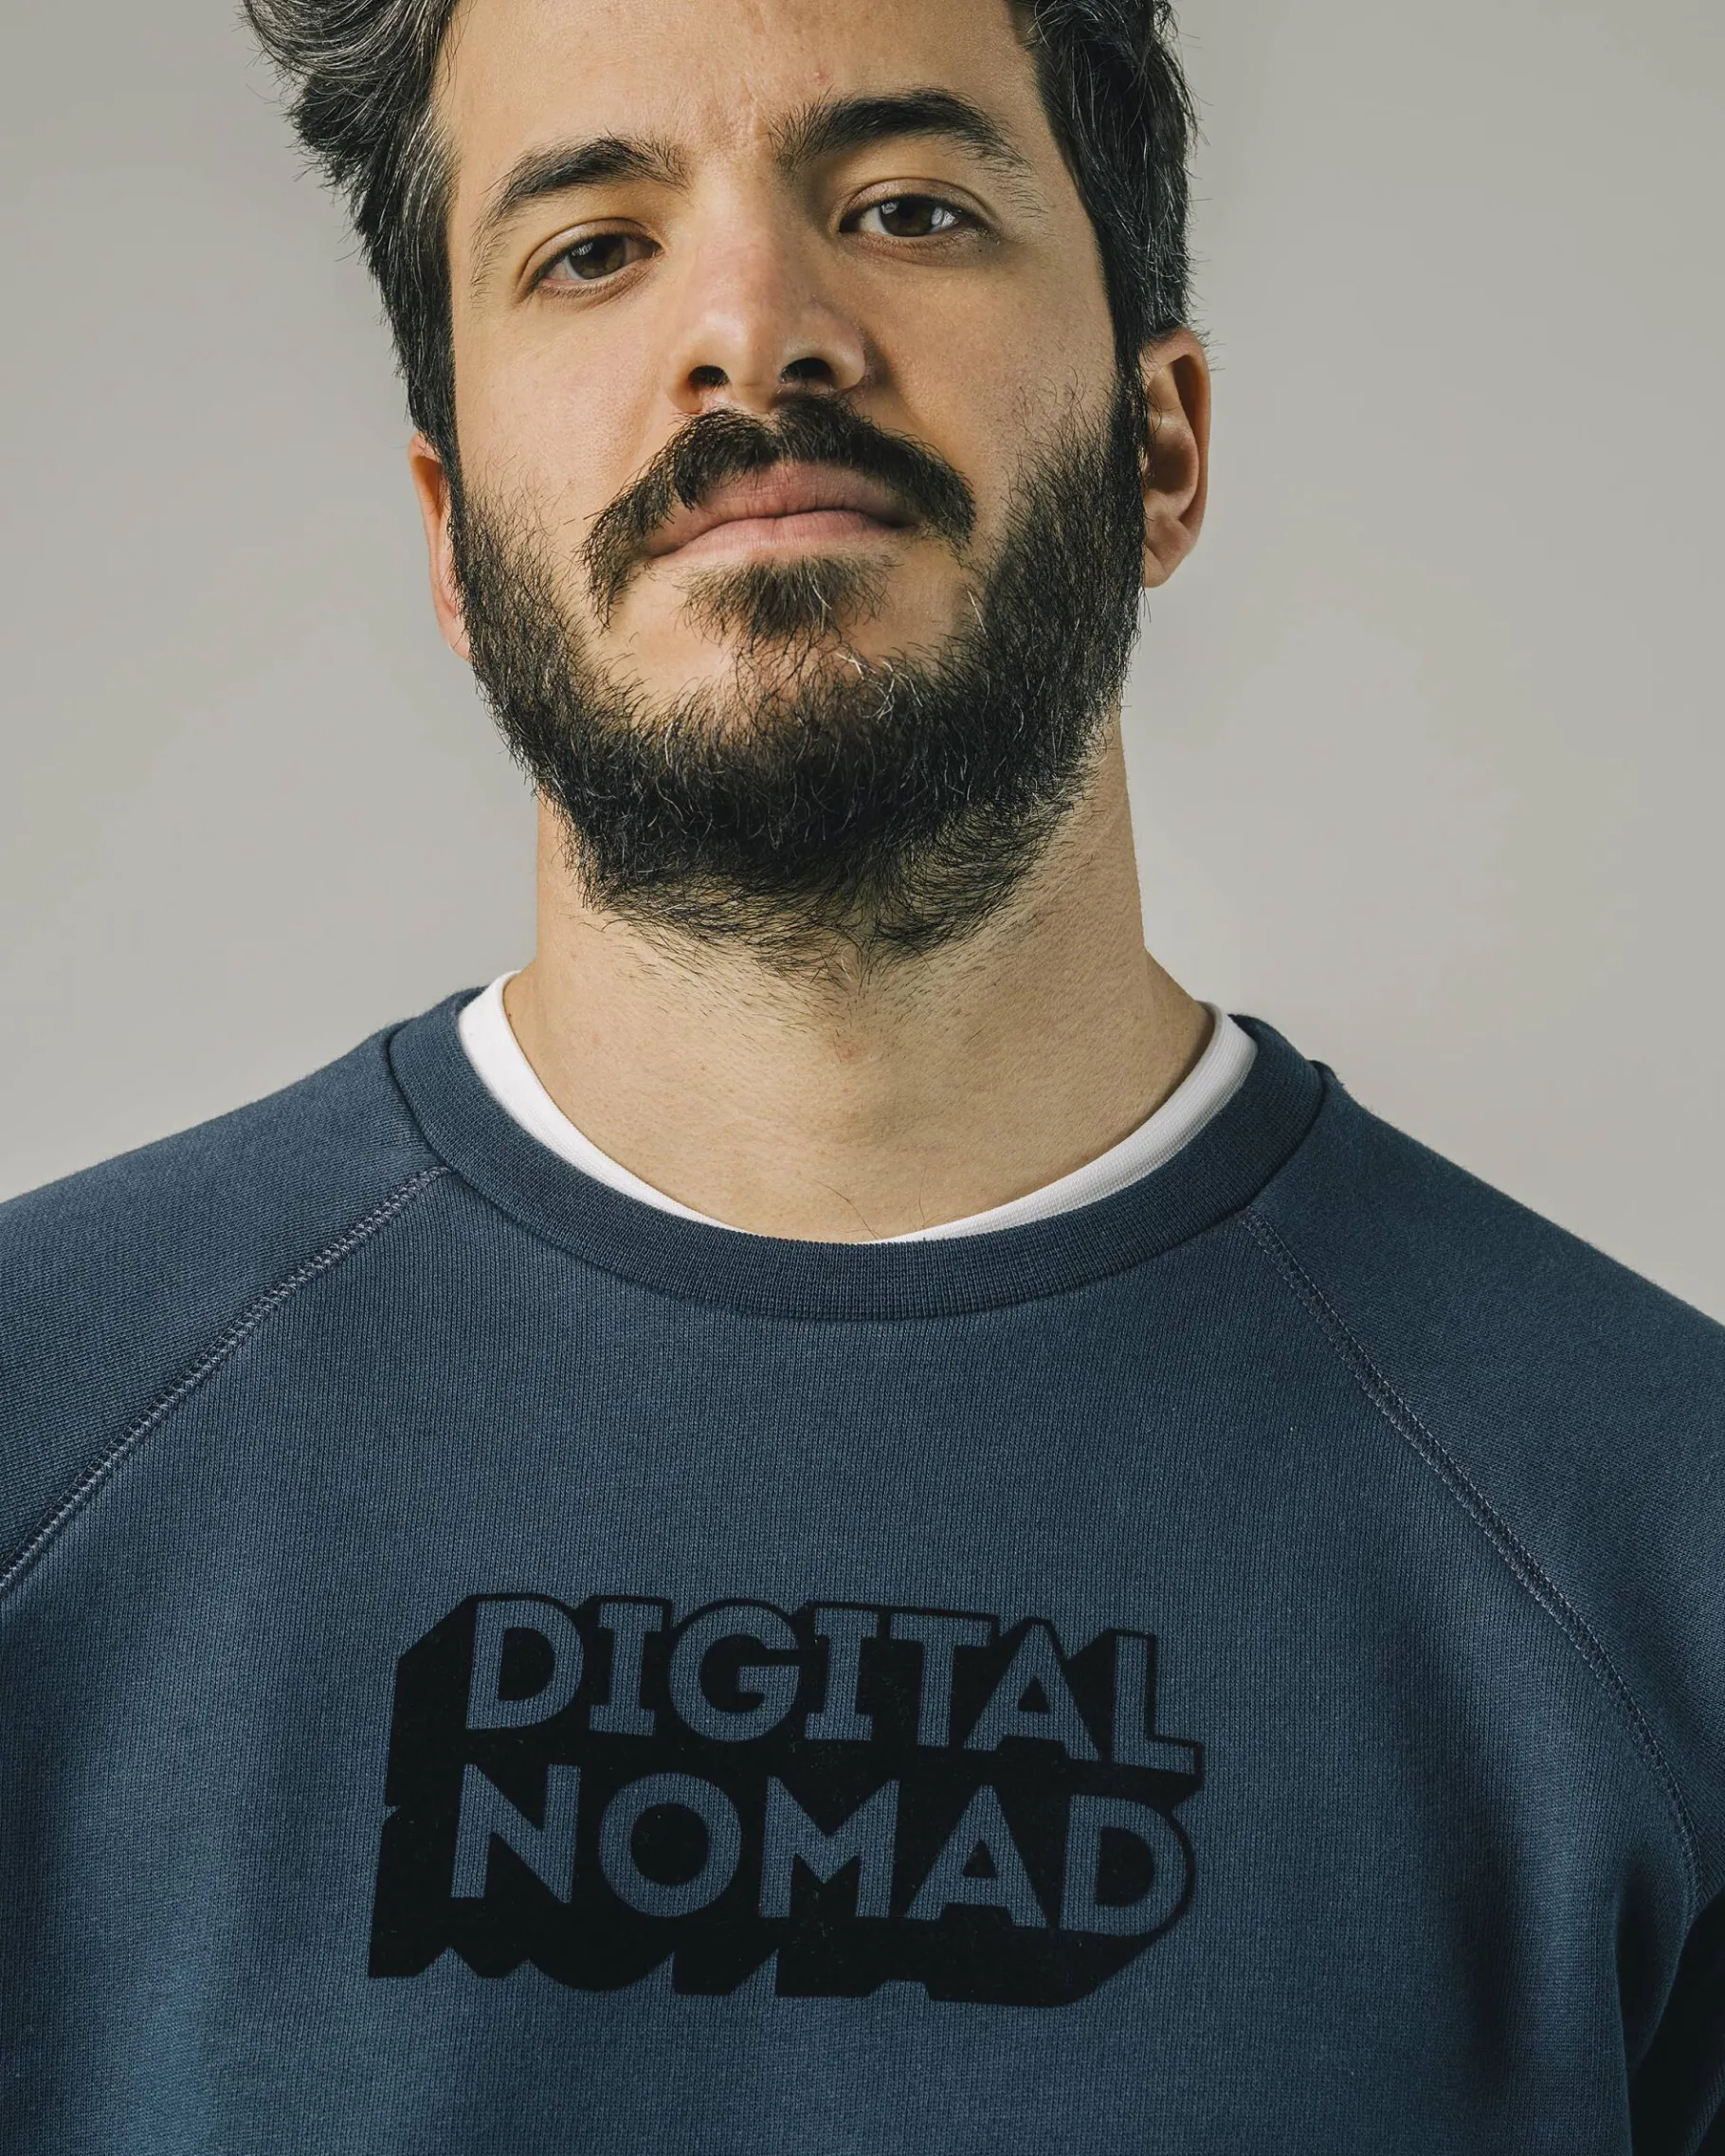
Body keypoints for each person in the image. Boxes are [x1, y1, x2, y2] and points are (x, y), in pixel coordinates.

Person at [1, 0, 1720, 2147]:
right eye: (593, 248)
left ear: (1162, 447)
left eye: (907, 208)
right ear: (449, 534)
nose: (755, 331)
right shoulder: (36, 1448)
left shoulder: (1670, 1547)